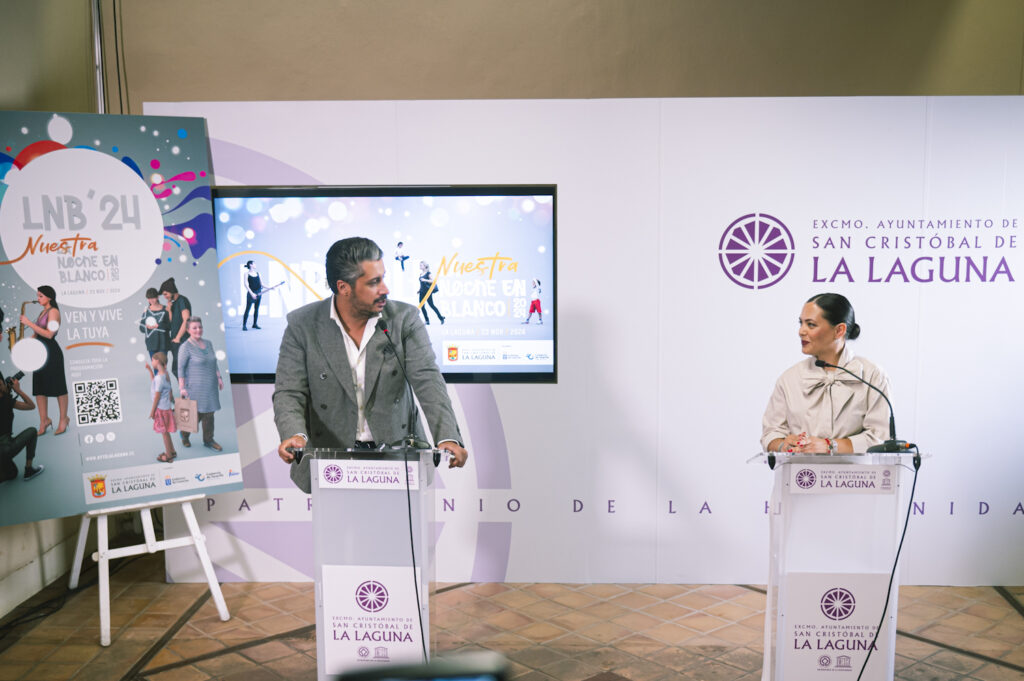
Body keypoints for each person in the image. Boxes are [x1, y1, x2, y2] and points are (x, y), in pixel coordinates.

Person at [275, 237, 468, 494]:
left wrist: (447, 436)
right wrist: (294, 434)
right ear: (344, 287)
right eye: (374, 282)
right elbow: (289, 391)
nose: (385, 289)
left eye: (383, 277)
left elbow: (428, 380)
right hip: (331, 463)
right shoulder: (303, 325)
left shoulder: (404, 319)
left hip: (398, 459)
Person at [761, 293, 890, 455]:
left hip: (856, 479)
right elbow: (770, 434)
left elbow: (880, 438)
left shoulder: (872, 376)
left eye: (811, 325)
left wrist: (830, 446)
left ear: (839, 330)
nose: (801, 331)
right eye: (801, 323)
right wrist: (784, 445)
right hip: (801, 477)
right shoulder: (789, 379)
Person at [21, 285, 69, 435]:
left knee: (59, 387)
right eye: (38, 295)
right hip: (39, 353)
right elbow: (37, 334)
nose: (38, 298)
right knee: (40, 387)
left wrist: (28, 323)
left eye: (41, 296)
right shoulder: (43, 312)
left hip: (51, 353)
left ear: (50, 297)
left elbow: (49, 334)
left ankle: (63, 419)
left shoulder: (54, 312)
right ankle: (44, 420)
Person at [177, 318, 224, 452]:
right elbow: (180, 368)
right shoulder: (185, 347)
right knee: (194, 415)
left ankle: (208, 440)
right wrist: (182, 387)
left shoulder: (208, 343)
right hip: (195, 387)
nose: (198, 330)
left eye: (200, 327)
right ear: (188, 330)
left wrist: (219, 378)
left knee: (209, 414)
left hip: (210, 386)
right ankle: (185, 436)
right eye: (194, 328)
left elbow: (214, 362)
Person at [0, 372, 44, 482]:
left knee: (12, 474)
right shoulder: (7, 401)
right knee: (32, 431)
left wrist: (7, 391)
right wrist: (18, 390)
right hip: (5, 449)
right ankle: (29, 470)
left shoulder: (6, 399)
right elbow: (31, 406)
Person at [159, 278, 192, 380]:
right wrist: (169, 310)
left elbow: (186, 319)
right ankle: (185, 392)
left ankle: (189, 392)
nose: (165, 297)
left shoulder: (182, 300)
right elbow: (171, 323)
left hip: (183, 340)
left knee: (182, 369)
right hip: (175, 341)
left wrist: (178, 337)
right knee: (176, 369)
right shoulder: (172, 303)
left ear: (172, 291)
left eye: (166, 294)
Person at [147, 352, 177, 462]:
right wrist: (150, 371)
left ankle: (168, 455)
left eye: (153, 360)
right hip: (166, 408)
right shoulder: (164, 374)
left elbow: (157, 397)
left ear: (157, 361)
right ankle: (172, 451)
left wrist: (152, 411)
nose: (152, 362)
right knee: (166, 432)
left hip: (161, 409)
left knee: (164, 434)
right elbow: (154, 383)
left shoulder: (160, 378)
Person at [139, 287, 172, 357]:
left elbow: (170, 326)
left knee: (162, 367)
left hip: (163, 343)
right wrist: (147, 327)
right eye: (148, 298)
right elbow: (141, 328)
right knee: (155, 367)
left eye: (153, 298)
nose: (151, 300)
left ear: (158, 297)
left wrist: (158, 326)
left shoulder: (165, 309)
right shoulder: (146, 311)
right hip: (151, 344)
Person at [417, 260, 445, 325]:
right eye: (420, 265)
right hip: (422, 292)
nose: (420, 266)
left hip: (427, 292)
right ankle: (427, 320)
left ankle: (441, 318)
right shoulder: (421, 274)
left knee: (431, 305)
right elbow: (421, 283)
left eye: (421, 265)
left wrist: (425, 280)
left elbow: (433, 281)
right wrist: (419, 289)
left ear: (425, 266)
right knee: (422, 306)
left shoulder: (428, 273)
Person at [242, 260, 263, 331]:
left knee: (256, 309)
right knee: (247, 309)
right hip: (251, 293)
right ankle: (244, 325)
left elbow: (262, 284)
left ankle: (254, 324)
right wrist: (252, 294)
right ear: (250, 265)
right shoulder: (246, 274)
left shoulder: (258, 273)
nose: (255, 265)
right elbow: (246, 285)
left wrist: (270, 288)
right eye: (254, 263)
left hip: (259, 293)